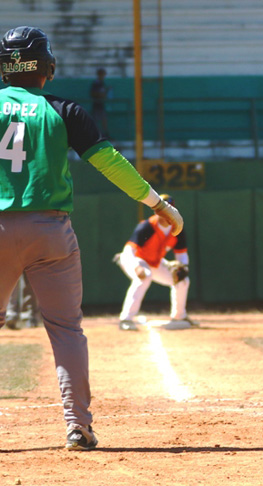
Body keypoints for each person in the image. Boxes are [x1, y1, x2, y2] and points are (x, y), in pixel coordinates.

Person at [0, 26, 183, 451]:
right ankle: (78, 426)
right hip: (50, 231)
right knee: (66, 329)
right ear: (47, 66)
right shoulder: (65, 110)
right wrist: (158, 204)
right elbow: (111, 163)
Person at [116, 193, 197, 331]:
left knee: (183, 280)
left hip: (155, 262)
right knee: (144, 276)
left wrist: (182, 267)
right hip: (133, 259)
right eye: (163, 208)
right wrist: (136, 267)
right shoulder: (147, 226)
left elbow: (181, 254)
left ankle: (179, 316)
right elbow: (129, 250)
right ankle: (126, 319)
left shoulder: (176, 228)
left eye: (169, 208)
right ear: (156, 210)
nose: (166, 212)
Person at [89, 67, 110, 138]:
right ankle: (96, 135)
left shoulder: (101, 83)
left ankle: (104, 134)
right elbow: (93, 93)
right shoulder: (96, 83)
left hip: (100, 104)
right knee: (96, 120)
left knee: (103, 119)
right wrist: (101, 95)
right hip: (97, 104)